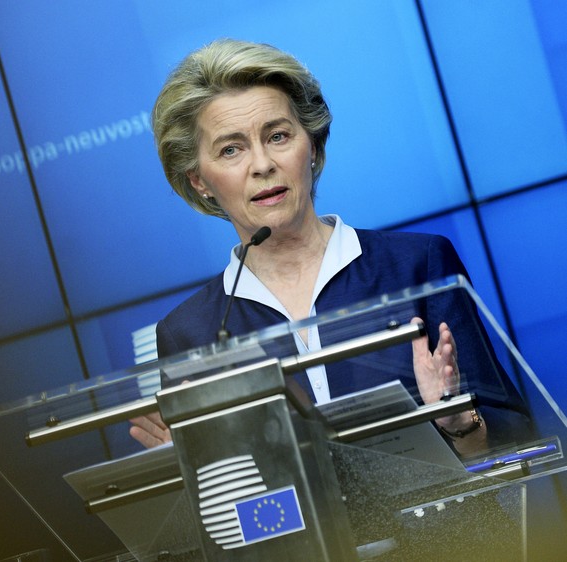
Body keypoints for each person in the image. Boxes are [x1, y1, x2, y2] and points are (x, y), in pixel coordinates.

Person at [129, 39, 530, 458]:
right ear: (199, 181)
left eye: (278, 136)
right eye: (231, 150)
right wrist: (193, 475)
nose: (262, 164)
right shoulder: (190, 331)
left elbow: (516, 434)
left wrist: (460, 424)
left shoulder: (417, 265)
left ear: (314, 147)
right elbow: (220, 503)